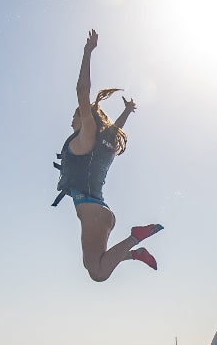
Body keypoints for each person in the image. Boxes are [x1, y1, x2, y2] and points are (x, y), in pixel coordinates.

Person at [53, 29, 163, 282]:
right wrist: (126, 113)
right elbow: (115, 131)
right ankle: (136, 253)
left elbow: (83, 91)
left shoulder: (85, 138)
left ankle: (136, 236)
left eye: (76, 115)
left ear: (86, 119)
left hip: (92, 211)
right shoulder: (102, 145)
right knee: (91, 264)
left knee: (98, 272)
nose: (72, 119)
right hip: (98, 212)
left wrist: (87, 52)